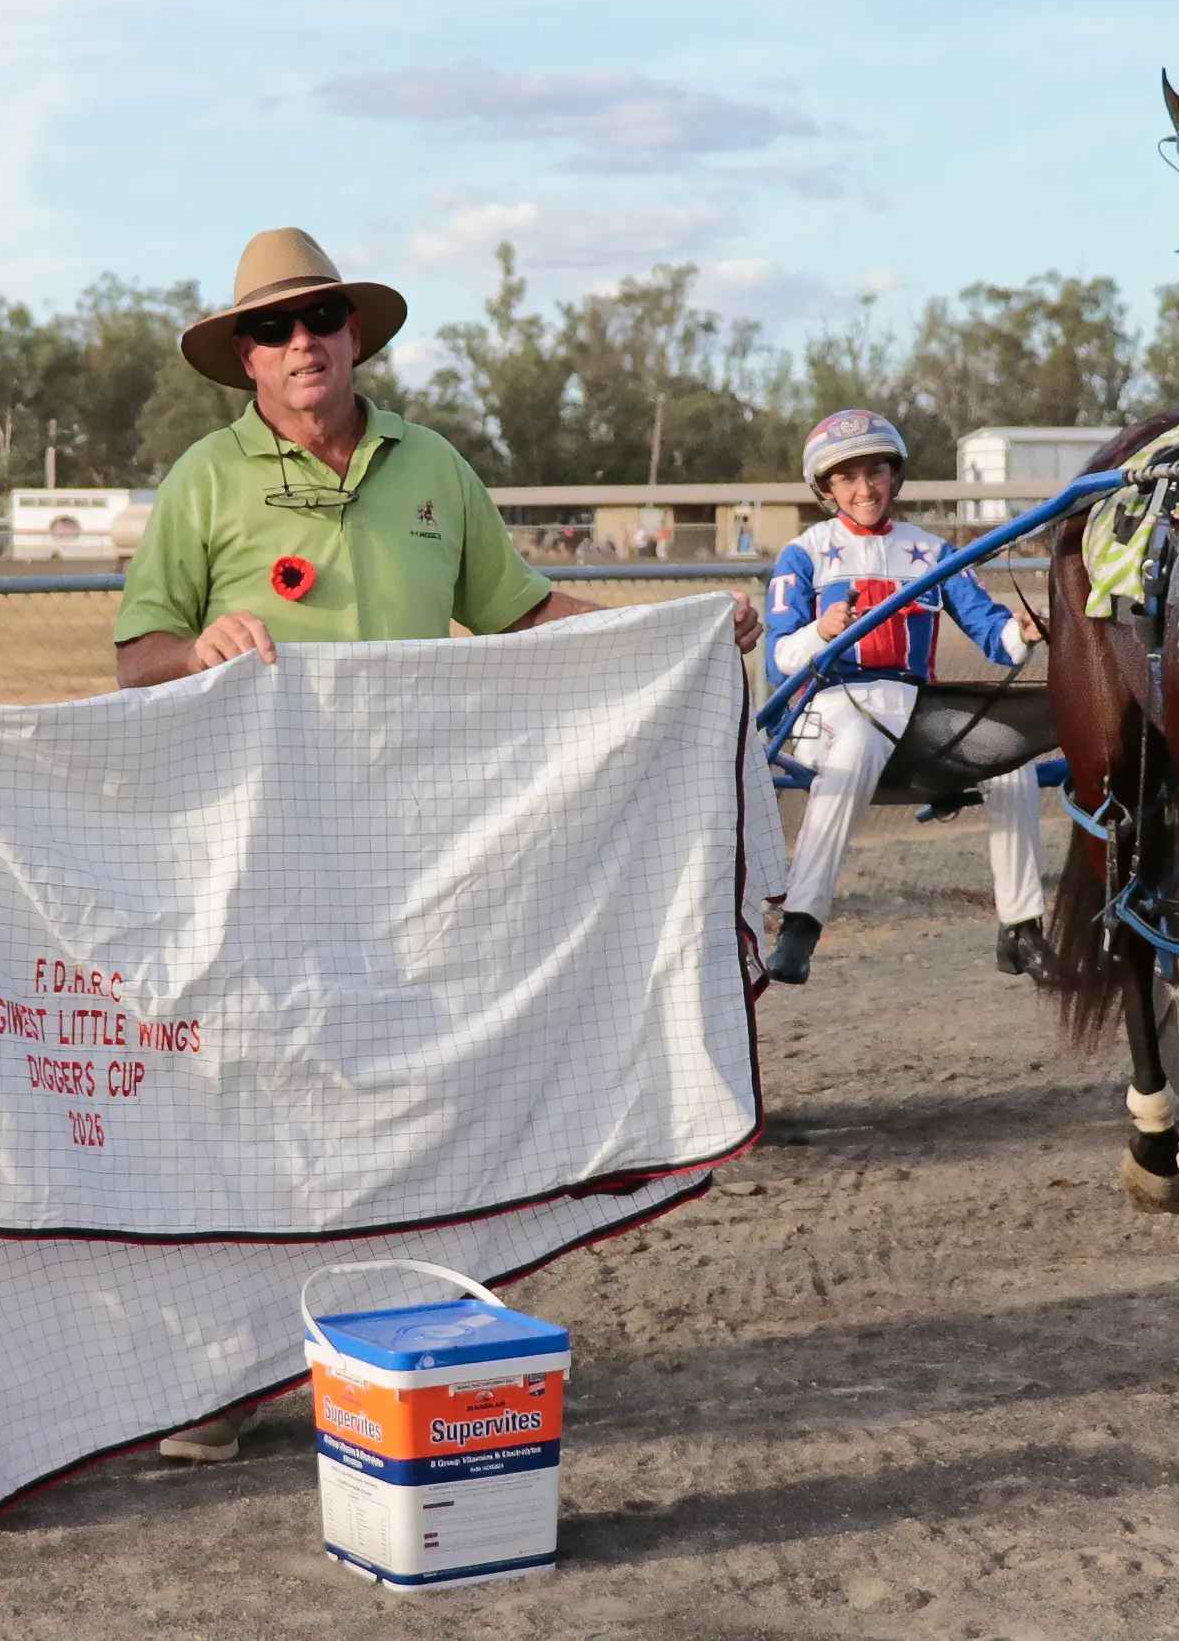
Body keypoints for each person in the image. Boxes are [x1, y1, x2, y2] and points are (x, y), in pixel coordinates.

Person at [114, 228, 762, 1458]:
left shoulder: (431, 467)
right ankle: (233, 1370)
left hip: (413, 851)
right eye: (272, 329)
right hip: (258, 852)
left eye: (320, 319)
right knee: (257, 1084)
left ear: (355, 333)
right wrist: (190, 649)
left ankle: (396, 1338)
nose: (299, 343)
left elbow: (519, 612)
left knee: (406, 1082)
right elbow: (133, 655)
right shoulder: (203, 479)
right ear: (241, 359)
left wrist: (669, 628)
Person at [758, 410, 1047, 987]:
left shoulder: (933, 554)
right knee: (858, 743)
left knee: (1012, 763)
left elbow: (996, 640)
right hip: (829, 707)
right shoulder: (805, 554)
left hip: (913, 710)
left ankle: (1022, 929)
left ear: (894, 476)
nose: (864, 489)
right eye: (847, 479)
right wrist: (822, 630)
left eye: (875, 472)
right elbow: (779, 659)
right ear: (826, 489)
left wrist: (1025, 631)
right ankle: (800, 926)